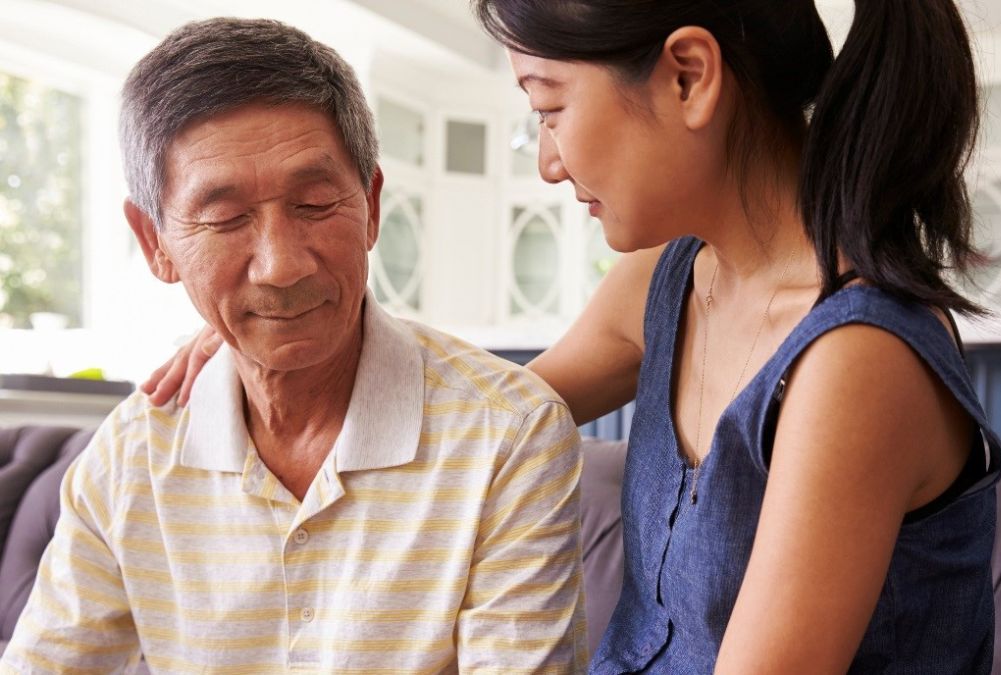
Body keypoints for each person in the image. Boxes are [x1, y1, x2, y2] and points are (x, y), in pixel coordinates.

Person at [147, 2, 1001, 673]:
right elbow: (473, 414)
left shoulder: (857, 361)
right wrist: (274, 343)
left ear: (688, 77)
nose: (548, 161)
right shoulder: (670, 279)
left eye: (549, 108)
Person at [0, 18, 587, 673]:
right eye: (225, 217)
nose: (281, 265)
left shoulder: (507, 434)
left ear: (370, 203)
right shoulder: (129, 461)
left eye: (313, 203)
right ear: (154, 242)